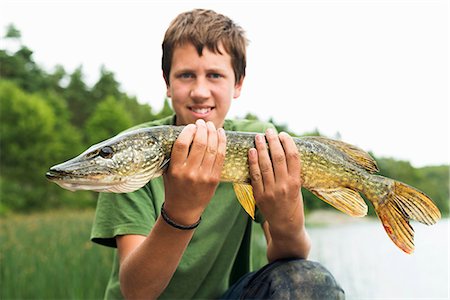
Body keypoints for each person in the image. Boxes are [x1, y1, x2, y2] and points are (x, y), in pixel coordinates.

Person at [91, 8, 344, 299]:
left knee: (308, 281)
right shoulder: (135, 155)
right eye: (186, 75)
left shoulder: (262, 142)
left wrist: (287, 216)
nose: (200, 91)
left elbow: (292, 257)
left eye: (214, 75)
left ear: (237, 83)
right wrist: (180, 212)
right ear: (167, 83)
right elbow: (137, 292)